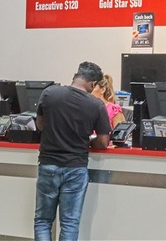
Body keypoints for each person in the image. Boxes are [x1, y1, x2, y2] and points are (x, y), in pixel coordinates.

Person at [34, 62, 111, 241]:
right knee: (69, 223)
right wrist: (87, 140)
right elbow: (103, 142)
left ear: (76, 76)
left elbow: (40, 125)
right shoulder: (96, 105)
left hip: (48, 164)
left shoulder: (50, 93)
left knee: (43, 221)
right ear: (92, 84)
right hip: (75, 168)